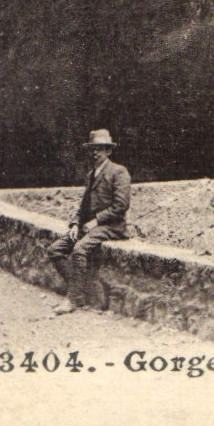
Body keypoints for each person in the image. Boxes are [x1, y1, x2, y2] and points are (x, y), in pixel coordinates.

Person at [46, 128, 131, 315]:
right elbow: (83, 205)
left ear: (108, 151)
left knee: (79, 249)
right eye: (92, 149)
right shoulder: (91, 175)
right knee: (55, 250)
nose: (95, 153)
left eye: (100, 149)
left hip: (112, 227)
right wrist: (75, 224)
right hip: (89, 227)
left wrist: (97, 220)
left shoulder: (118, 172)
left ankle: (74, 299)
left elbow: (121, 206)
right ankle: (78, 289)